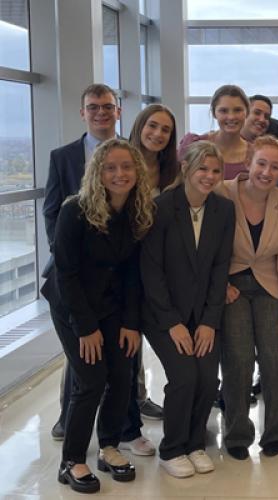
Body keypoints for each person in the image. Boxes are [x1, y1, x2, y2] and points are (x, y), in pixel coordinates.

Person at [42, 84, 162, 441]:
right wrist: (70, 251)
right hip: (74, 280)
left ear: (118, 111)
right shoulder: (63, 158)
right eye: (92, 107)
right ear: (83, 112)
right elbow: (52, 212)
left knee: (122, 365)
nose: (100, 112)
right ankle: (73, 424)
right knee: (84, 365)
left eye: (107, 106)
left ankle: (123, 430)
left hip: (115, 287)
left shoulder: (131, 158)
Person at [41, 139, 154, 494]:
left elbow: (134, 274)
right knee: (90, 379)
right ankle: (71, 460)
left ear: (137, 170)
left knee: (122, 373)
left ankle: (108, 447)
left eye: (126, 167)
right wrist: (86, 328)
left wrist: (132, 324)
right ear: (97, 173)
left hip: (114, 305)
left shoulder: (137, 211)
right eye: (110, 167)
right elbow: (66, 274)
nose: (120, 174)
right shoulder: (75, 210)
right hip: (72, 304)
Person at [140, 140, 235, 478]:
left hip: (203, 313)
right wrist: (172, 324)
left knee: (208, 378)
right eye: (202, 169)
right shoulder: (162, 208)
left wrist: (209, 322)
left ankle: (195, 444)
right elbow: (151, 272)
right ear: (185, 169)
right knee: (184, 376)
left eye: (215, 170)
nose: (208, 176)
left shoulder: (224, 211)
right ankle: (172, 448)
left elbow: (220, 269)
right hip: (162, 314)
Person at [217, 135, 278, 460]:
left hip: (269, 285)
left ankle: (276, 430)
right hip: (231, 284)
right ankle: (237, 433)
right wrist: (220, 283)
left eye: (275, 167)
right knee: (237, 359)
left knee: (275, 359)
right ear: (248, 161)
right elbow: (207, 247)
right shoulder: (222, 192)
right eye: (261, 163)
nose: (266, 172)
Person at [116, 104, 180, 458]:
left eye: (165, 130)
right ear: (139, 125)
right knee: (126, 354)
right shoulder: (122, 163)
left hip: (158, 271)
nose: (157, 134)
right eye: (152, 126)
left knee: (146, 349)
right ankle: (127, 430)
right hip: (122, 268)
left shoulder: (172, 172)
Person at [179, 84, 252, 180]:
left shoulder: (255, 154)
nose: (231, 117)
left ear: (247, 112)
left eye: (237, 110)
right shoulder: (193, 144)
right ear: (214, 113)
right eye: (223, 111)